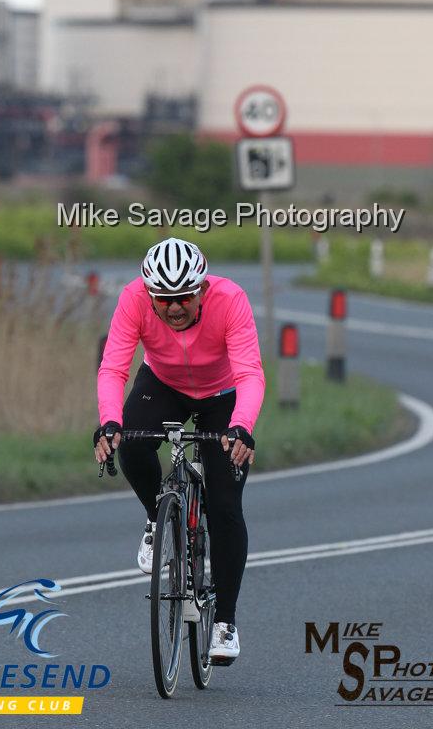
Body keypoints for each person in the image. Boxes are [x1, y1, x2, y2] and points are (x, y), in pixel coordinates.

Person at [93, 237, 265, 663]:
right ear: (150, 293)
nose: (173, 308)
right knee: (132, 444)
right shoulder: (133, 299)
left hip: (222, 394)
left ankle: (224, 622)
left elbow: (250, 372)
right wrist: (109, 422)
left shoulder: (231, 300)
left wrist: (241, 427)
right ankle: (157, 519)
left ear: (202, 289)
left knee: (225, 505)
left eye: (184, 297)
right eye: (164, 299)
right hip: (163, 385)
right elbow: (114, 366)